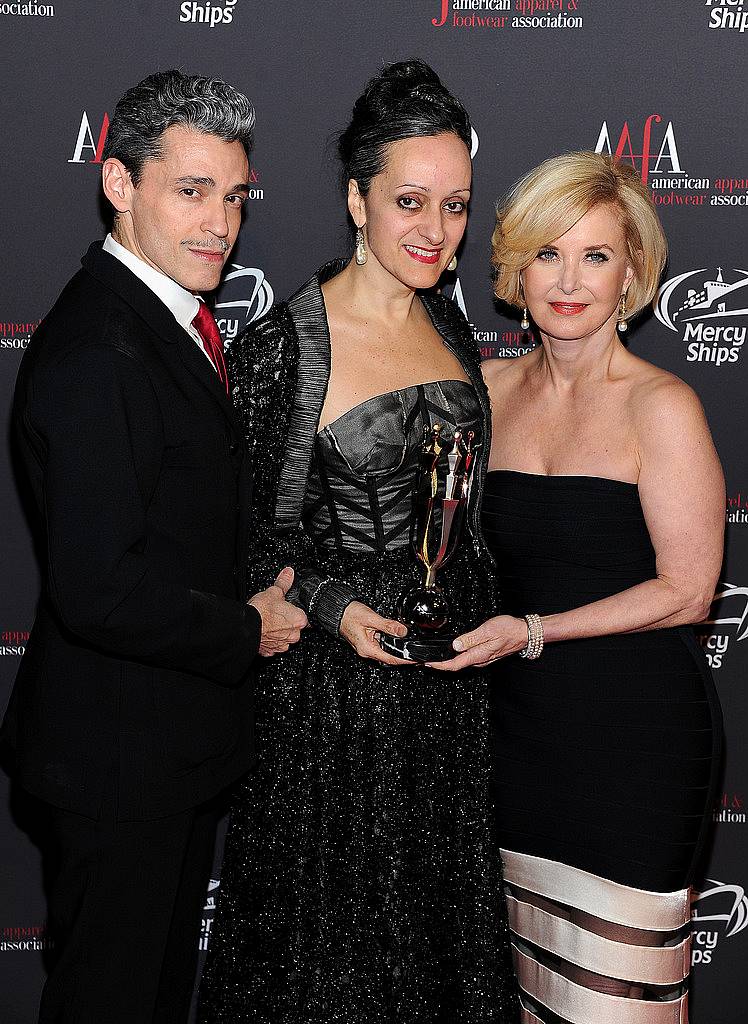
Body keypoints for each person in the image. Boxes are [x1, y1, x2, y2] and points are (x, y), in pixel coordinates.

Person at [198, 61, 518, 1023]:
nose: (434, 231)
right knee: (331, 957)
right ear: (356, 199)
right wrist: (334, 608)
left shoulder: (455, 334)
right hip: (332, 710)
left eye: (455, 205)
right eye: (409, 201)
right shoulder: (284, 351)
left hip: (446, 689)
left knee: (436, 941)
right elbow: (241, 542)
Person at [0, 70, 306, 1024]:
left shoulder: (161, 318)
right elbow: (96, 589)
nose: (220, 222)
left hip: (155, 753)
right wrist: (243, 629)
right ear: (118, 184)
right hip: (116, 764)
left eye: (235, 196)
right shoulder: (103, 350)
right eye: (191, 190)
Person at [433, 152, 724, 1021]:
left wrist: (532, 631)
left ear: (632, 270)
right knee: (524, 997)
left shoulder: (659, 406)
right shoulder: (480, 394)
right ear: (514, 268)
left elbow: (688, 590)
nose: (569, 281)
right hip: (509, 746)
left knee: (613, 1002)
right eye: (547, 254)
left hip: (631, 750)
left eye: (596, 256)